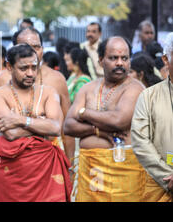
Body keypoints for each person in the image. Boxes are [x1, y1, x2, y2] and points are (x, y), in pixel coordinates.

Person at [63, 36, 151, 202]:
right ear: (101, 59)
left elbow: (118, 120)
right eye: (113, 58)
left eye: (124, 58)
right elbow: (68, 126)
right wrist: (98, 131)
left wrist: (83, 113)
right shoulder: (88, 89)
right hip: (91, 174)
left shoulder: (135, 88)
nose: (120, 63)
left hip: (123, 174)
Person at [0, 44, 72, 201]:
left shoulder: (48, 92)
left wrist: (19, 119)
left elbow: (55, 128)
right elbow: (11, 134)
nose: (30, 73)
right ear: (9, 67)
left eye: (34, 67)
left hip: (46, 171)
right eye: (24, 68)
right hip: (11, 174)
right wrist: (41, 122)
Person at [0, 27, 75, 162]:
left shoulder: (57, 79)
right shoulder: (3, 78)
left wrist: (70, 164)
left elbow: (64, 127)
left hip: (48, 157)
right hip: (10, 158)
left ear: (43, 49)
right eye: (25, 47)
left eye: (36, 47)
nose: (32, 52)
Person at [131, 32, 173, 202]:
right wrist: (167, 177)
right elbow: (140, 140)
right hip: (160, 184)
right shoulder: (148, 96)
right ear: (166, 60)